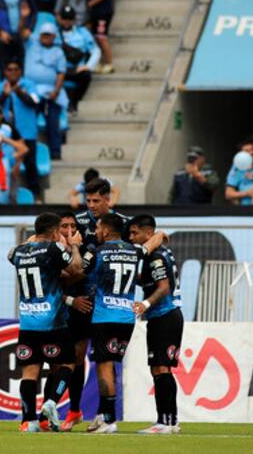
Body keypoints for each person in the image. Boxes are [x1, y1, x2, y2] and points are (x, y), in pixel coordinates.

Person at [56, 176, 129, 430]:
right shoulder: (78, 222)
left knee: (107, 359)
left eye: (96, 201)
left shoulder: (123, 224)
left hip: (109, 303)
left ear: (108, 199)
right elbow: (64, 254)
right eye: (88, 200)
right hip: (82, 301)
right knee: (77, 355)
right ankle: (74, 410)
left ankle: (104, 414)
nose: (91, 206)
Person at [84, 213, 166, 434]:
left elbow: (78, 269)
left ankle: (109, 419)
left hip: (104, 317)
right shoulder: (133, 250)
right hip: (126, 318)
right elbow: (151, 243)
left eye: (98, 228)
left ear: (106, 231)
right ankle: (104, 416)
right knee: (111, 365)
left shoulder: (98, 251)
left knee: (104, 366)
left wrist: (74, 247)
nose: (96, 232)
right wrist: (160, 234)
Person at [9, 212, 83, 432]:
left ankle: (28, 421)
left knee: (29, 373)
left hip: (28, 323)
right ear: (53, 232)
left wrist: (31, 239)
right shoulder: (53, 249)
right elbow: (75, 268)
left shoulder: (19, 251)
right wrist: (75, 246)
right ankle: (51, 402)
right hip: (53, 322)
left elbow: (12, 254)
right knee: (68, 364)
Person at [128, 214, 184, 435]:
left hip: (165, 315)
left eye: (135, 233)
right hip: (165, 316)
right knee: (160, 368)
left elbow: (163, 287)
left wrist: (145, 303)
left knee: (161, 368)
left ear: (148, 233)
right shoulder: (159, 253)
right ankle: (171, 421)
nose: (132, 237)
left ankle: (165, 422)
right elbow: (148, 280)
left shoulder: (156, 256)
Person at [0, 60, 40, 199]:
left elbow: (35, 102)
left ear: (20, 71)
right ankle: (4, 197)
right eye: (9, 69)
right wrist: (4, 94)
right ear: (5, 72)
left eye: (16, 69)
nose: (13, 72)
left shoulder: (28, 85)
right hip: (6, 134)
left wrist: (18, 92)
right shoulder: (0, 87)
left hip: (27, 132)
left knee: (30, 165)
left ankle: (36, 196)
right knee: (5, 165)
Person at [24, 23, 67, 160]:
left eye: (49, 35)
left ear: (54, 36)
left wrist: (56, 91)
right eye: (43, 35)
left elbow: (61, 72)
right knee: (28, 123)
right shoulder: (31, 44)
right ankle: (27, 153)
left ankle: (55, 153)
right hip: (31, 91)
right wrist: (24, 18)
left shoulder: (58, 52)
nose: (46, 37)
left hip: (50, 92)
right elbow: (21, 33)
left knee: (53, 122)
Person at [55, 5, 100, 115]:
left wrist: (88, 66)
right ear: (60, 18)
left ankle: (74, 103)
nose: (67, 21)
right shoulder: (54, 32)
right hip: (59, 69)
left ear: (74, 19)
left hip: (76, 69)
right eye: (64, 18)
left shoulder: (82, 32)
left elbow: (95, 50)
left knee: (86, 76)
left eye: (70, 18)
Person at [82, 0, 114, 74]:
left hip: (103, 15)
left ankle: (109, 64)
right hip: (97, 15)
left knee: (102, 38)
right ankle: (99, 63)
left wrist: (90, 3)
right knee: (97, 38)